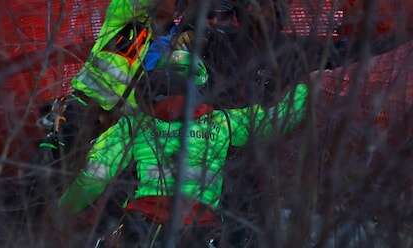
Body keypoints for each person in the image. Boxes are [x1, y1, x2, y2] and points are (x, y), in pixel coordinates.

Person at [58, 50, 309, 247]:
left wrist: (59, 213)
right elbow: (277, 121)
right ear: (201, 86)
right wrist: (307, 87)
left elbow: (93, 178)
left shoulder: (133, 125)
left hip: (141, 227)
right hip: (198, 229)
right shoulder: (223, 122)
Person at [39, 0, 208, 168]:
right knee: (50, 172)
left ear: (180, 4)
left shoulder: (179, 43)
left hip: (122, 129)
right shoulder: (122, 14)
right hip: (83, 109)